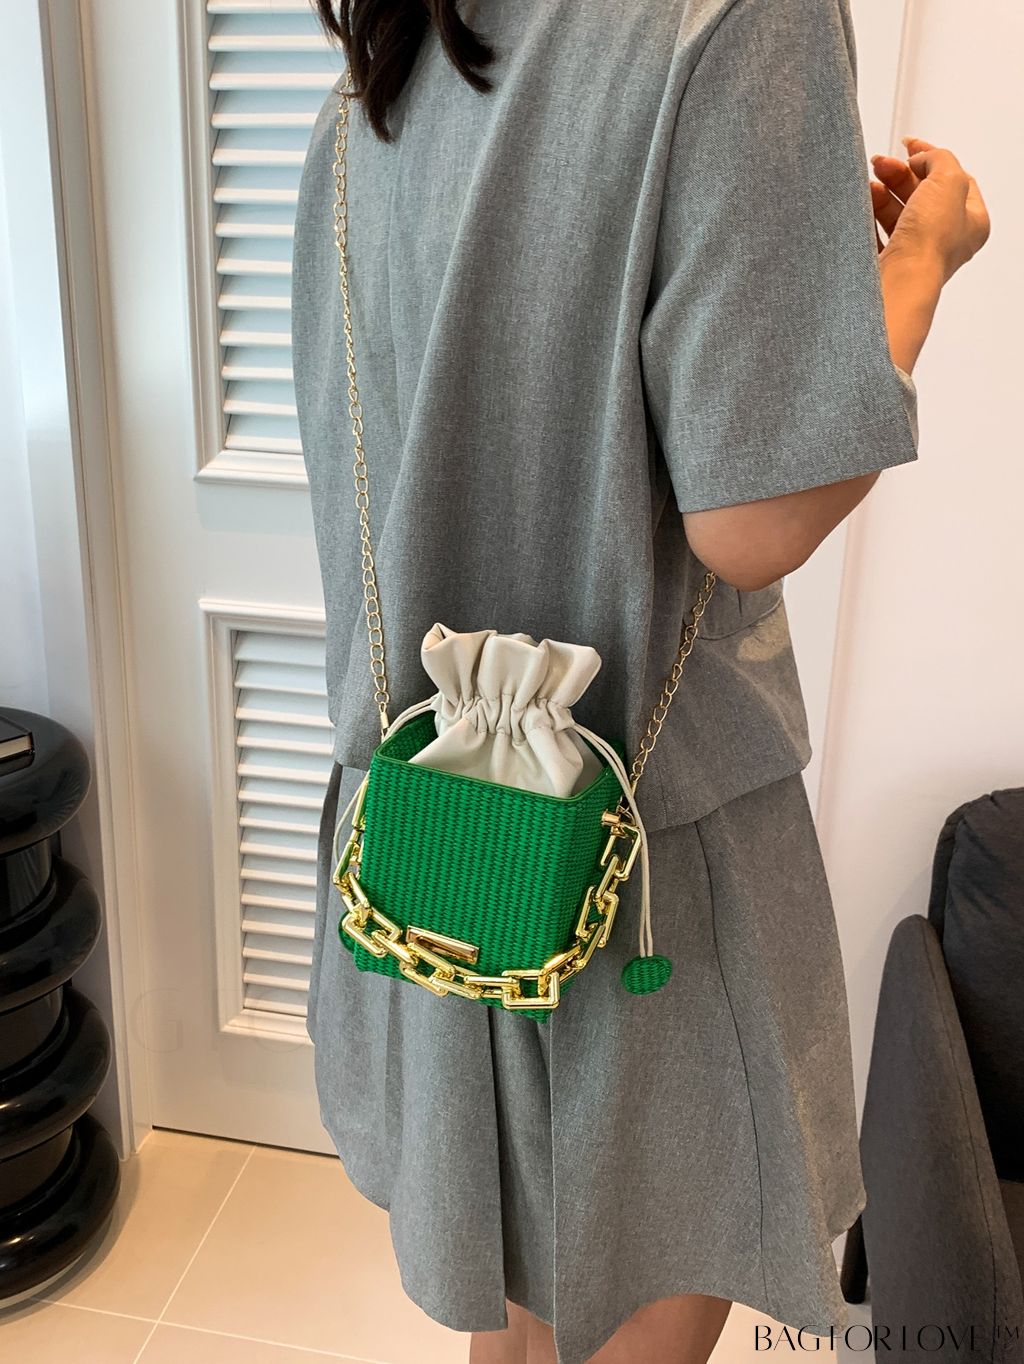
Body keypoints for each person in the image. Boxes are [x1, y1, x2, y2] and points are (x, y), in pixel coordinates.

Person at [291, 2, 990, 1361]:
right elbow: (755, 521)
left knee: (521, 1317)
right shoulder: (738, 22)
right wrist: (920, 262)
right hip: (632, 872)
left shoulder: (396, 53)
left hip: (437, 832)